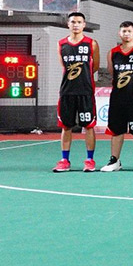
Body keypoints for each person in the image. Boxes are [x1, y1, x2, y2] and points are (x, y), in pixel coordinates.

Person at [100, 21, 133, 172]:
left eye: (129, 31)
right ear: (119, 33)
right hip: (117, 98)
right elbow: (112, 72)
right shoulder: (113, 53)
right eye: (124, 31)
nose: (126, 34)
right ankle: (114, 161)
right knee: (117, 130)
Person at [53, 12, 101, 172]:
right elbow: (63, 67)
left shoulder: (91, 43)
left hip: (85, 91)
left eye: (79, 22)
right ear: (68, 24)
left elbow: (94, 67)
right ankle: (64, 160)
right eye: (73, 22)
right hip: (67, 91)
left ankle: (90, 160)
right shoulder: (61, 44)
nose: (76, 25)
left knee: (89, 126)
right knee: (66, 126)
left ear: (84, 25)